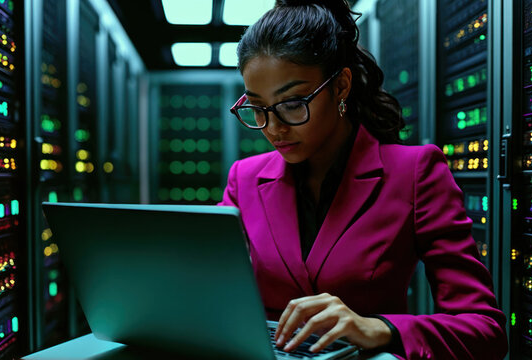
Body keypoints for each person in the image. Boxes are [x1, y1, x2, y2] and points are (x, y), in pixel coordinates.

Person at [218, 0, 508, 358]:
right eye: (258, 108)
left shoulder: (415, 173)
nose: (274, 128)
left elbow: (484, 329)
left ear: (340, 86)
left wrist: (379, 327)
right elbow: (209, 285)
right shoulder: (244, 179)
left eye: (292, 103)